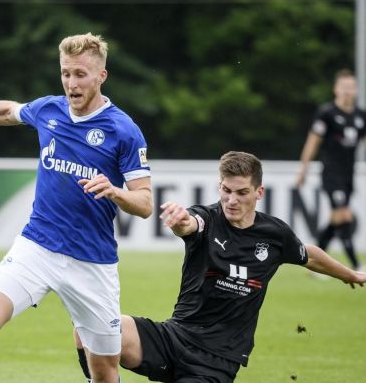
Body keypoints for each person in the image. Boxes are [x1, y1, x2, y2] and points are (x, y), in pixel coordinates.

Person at [0, 33, 153, 383]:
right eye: (66, 73)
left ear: (101, 76)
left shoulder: (123, 130)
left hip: (92, 262)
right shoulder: (49, 110)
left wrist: (115, 191)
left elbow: (145, 204)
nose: (71, 83)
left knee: (104, 372)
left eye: (80, 74)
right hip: (37, 246)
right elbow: (7, 110)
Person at [75, 151, 366, 383]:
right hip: (175, 337)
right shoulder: (207, 217)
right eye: (226, 190)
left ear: (259, 192)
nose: (231, 200)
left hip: (217, 361)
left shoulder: (275, 235)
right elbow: (191, 224)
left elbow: (309, 255)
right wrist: (181, 222)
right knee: (92, 324)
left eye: (241, 192)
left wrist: (350, 275)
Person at [296, 69, 366, 271]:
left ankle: (313, 261)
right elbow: (313, 142)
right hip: (331, 173)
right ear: (336, 89)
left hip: (348, 175)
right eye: (344, 87)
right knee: (344, 216)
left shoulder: (361, 116)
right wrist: (303, 169)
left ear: (356, 90)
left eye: (351, 87)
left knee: (336, 220)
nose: (347, 91)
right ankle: (356, 264)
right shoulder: (327, 114)